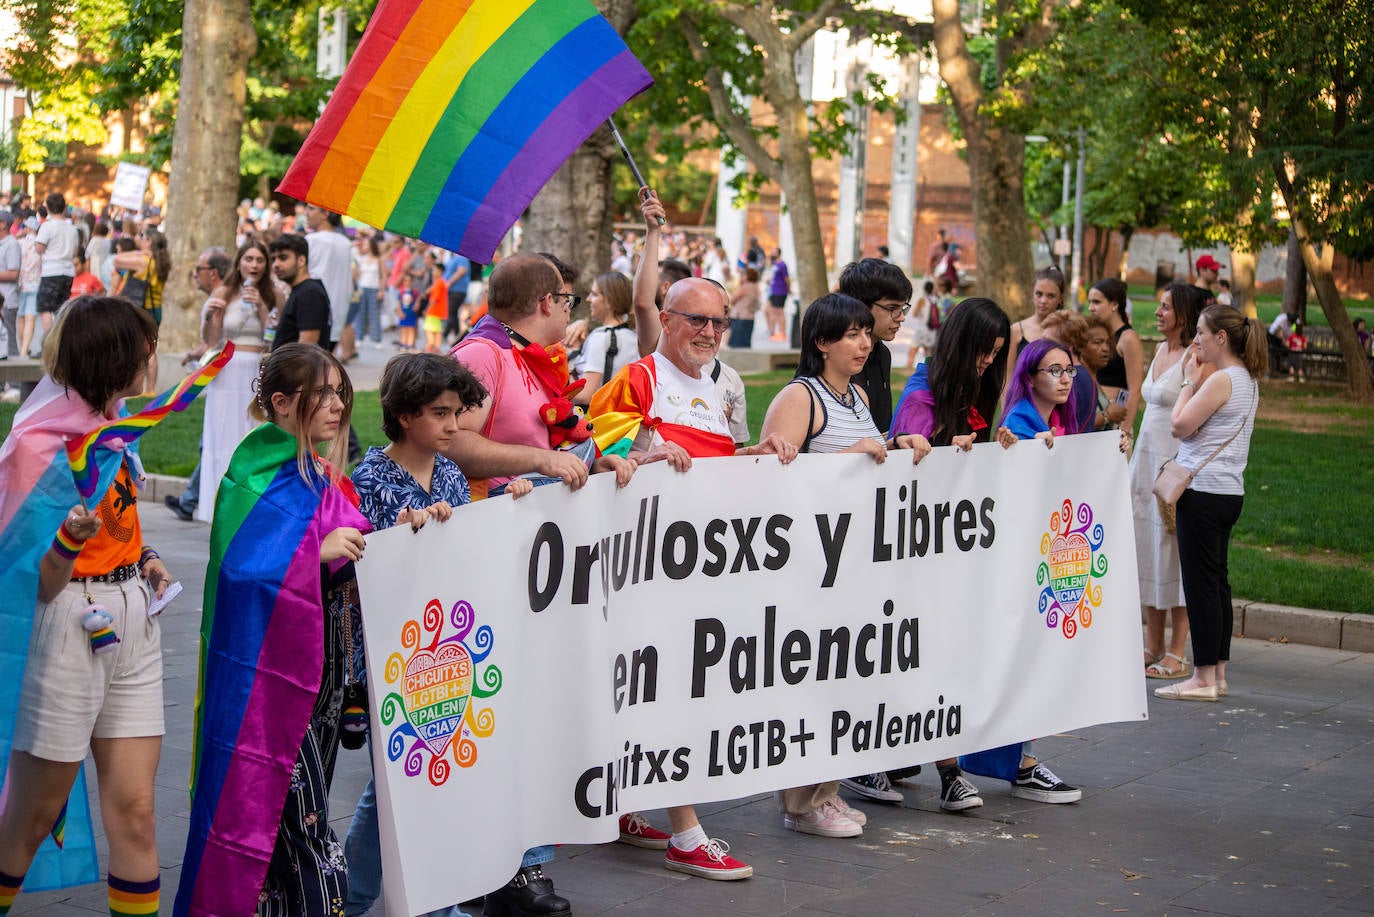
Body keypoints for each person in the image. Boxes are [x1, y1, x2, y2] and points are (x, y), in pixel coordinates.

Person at [589, 277, 796, 880]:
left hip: (703, 565)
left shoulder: (718, 383)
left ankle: (623, 801)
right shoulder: (637, 379)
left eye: (718, 322)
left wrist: (754, 455)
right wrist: (641, 456)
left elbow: (720, 461)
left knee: (667, 686)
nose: (708, 332)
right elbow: (597, 453)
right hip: (645, 569)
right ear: (666, 318)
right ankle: (687, 832)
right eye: (695, 320)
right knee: (665, 686)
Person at [448, 252, 634, 916]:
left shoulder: (536, 361)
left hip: (541, 565)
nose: (575, 306)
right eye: (568, 296)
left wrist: (606, 457)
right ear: (546, 302)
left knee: (530, 713)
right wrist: (543, 461)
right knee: (487, 714)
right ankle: (482, 866)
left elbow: (565, 436)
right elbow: (454, 443)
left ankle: (518, 863)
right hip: (491, 558)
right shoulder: (483, 356)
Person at [177, 343, 370, 916]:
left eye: (341, 392)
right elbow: (240, 572)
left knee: (298, 816)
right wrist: (315, 551)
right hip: (270, 682)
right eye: (323, 394)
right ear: (282, 403)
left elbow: (361, 544)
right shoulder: (252, 473)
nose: (337, 405)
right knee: (300, 818)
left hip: (326, 675)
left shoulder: (325, 474)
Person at [0, 296, 171, 916]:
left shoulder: (116, 429)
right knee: (33, 816)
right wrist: (69, 539)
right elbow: (34, 583)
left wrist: (143, 555)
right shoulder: (40, 445)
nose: (152, 359)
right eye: (143, 349)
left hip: (133, 616)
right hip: (65, 624)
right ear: (113, 358)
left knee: (138, 811)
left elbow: (118, 523)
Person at [759, 293, 931, 837]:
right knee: (812, 681)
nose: (864, 343)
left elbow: (867, 453)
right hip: (810, 564)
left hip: (854, 559)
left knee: (844, 678)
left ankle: (827, 790)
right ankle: (802, 801)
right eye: (852, 334)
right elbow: (771, 477)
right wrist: (852, 454)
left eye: (866, 333)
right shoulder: (799, 396)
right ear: (821, 342)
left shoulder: (855, 394)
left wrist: (895, 442)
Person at [343, 353, 509, 917]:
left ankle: (360, 895)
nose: (453, 426)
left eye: (458, 413)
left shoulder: (448, 473)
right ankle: (415, 901)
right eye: (440, 413)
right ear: (405, 414)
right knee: (401, 782)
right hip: (393, 655)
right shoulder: (369, 479)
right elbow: (366, 563)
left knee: (407, 782)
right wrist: (402, 534)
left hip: (446, 651)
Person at [849, 298, 1017, 809]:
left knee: (938, 654)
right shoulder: (925, 395)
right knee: (904, 653)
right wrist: (929, 449)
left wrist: (997, 446)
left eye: (996, 354)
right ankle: (880, 761)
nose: (988, 362)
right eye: (983, 352)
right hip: (906, 548)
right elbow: (903, 457)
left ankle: (933, 761)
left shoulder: (973, 391)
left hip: (945, 549)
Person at [1154, 306, 1266, 702]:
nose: (1195, 340)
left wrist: (1187, 380)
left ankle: (1201, 678)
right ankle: (1216, 672)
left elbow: (1180, 426)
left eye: (1201, 332)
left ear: (1221, 337)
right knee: (1217, 582)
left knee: (1201, 586)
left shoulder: (1221, 380)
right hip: (1228, 492)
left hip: (1202, 492)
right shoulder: (1247, 379)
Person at [1130, 283, 1208, 680]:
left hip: (1173, 465)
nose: (1158, 312)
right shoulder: (1160, 350)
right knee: (1145, 551)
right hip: (1143, 464)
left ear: (1184, 312)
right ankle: (1152, 643)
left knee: (1173, 554)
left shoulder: (1196, 358)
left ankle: (1178, 652)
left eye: (1165, 307)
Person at [196, 239, 287, 523]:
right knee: (222, 433)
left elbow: (275, 337)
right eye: (249, 259)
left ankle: (250, 503)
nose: (254, 265)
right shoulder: (225, 291)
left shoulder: (275, 294)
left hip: (257, 367)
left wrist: (262, 307)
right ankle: (217, 504)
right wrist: (211, 314)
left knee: (252, 430)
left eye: (260, 260)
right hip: (227, 368)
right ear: (239, 263)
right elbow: (211, 340)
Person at [164, 247, 232, 522]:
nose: (194, 276)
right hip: (224, 377)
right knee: (213, 442)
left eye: (198, 269)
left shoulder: (218, 299)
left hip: (226, 381)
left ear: (213, 273)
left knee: (214, 442)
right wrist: (197, 352)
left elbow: (217, 343)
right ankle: (190, 498)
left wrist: (201, 354)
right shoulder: (224, 297)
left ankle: (190, 499)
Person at [840, 257, 912, 435]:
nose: (901, 317)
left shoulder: (882, 353)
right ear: (861, 306)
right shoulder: (836, 357)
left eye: (903, 308)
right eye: (892, 308)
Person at [1087, 278, 1144, 433]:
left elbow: (1135, 389)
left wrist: (1125, 430)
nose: (1091, 308)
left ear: (1114, 305)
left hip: (1116, 420)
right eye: (1089, 302)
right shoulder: (1092, 334)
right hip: (1095, 415)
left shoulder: (1128, 338)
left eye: (1097, 302)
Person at [573, 271, 636, 406]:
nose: (588, 299)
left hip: (595, 420)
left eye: (594, 294)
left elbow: (586, 395)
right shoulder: (634, 337)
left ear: (609, 301)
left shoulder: (600, 337)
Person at [304, 205, 356, 362]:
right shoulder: (345, 243)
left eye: (311, 209)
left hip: (313, 311)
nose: (307, 213)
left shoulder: (311, 240)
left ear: (325, 213)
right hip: (338, 312)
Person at [270, 234, 334, 351]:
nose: (276, 264)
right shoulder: (303, 290)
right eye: (273, 259)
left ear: (301, 260)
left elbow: (307, 347)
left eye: (283, 258)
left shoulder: (309, 293)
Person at [34, 193, 80, 337]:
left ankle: (48, 342)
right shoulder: (72, 228)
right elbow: (76, 251)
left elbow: (39, 248)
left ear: (47, 207)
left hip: (51, 270)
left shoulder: (47, 226)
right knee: (61, 309)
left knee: (44, 308)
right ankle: (60, 341)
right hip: (68, 271)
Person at [111, 224, 171, 327]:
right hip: (156, 309)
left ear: (149, 242)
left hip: (140, 309)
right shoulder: (162, 261)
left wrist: (137, 252)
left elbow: (116, 260)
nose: (141, 241)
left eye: (143, 238)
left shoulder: (143, 261)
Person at [1008, 265, 1066, 367]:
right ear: (1032, 295)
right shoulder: (1016, 330)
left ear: (1060, 299)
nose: (1043, 301)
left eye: (1050, 296)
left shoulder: (1066, 330)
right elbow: (1008, 376)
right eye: (1039, 294)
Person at [351, 235, 384, 349]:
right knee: (360, 314)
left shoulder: (379, 259)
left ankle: (376, 339)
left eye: (366, 244)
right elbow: (355, 274)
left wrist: (381, 290)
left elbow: (383, 276)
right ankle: (359, 338)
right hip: (362, 288)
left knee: (374, 314)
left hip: (374, 288)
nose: (364, 245)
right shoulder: (360, 258)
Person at [17, 217, 42, 357]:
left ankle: (23, 347)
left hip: (21, 284)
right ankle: (24, 350)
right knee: (30, 318)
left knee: (20, 317)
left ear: (27, 228)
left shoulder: (19, 243)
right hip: (36, 283)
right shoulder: (40, 245)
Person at [904, 279, 938, 369]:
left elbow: (914, 314)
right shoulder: (935, 300)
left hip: (921, 329)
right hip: (932, 331)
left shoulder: (922, 300)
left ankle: (908, 369)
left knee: (912, 351)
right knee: (928, 355)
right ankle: (928, 372)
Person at [0, 214, 21, 359]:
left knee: (9, 344)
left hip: (7, 301)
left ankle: (16, 381)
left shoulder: (12, 244)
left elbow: (14, 273)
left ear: (3, 225)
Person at [726, 266, 761, 349]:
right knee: (746, 341)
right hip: (750, 316)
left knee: (736, 342)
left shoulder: (745, 286)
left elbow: (733, 299)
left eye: (744, 275)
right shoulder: (755, 286)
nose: (742, 277)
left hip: (740, 315)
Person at [764, 248, 789, 341]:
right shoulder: (774, 264)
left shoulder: (782, 264)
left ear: (779, 254)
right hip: (772, 291)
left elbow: (787, 278)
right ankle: (773, 331)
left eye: (774, 252)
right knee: (771, 311)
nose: (772, 254)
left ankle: (782, 333)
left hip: (780, 291)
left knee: (779, 312)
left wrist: (788, 289)